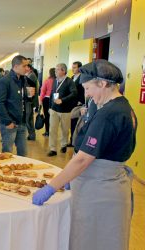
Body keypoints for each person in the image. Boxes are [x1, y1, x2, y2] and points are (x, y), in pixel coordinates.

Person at [33, 60, 137, 250]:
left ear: (103, 83)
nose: (87, 94)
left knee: (95, 241)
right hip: (104, 184)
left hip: (101, 191)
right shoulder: (121, 106)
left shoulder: (109, 114)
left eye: (88, 88)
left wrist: (51, 187)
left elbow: (82, 159)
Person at [0, 55, 34, 155]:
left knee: (23, 153)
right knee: (7, 153)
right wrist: (8, 122)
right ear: (16, 66)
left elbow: (24, 100)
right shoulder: (5, 81)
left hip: (22, 122)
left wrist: (30, 96)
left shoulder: (24, 80)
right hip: (10, 123)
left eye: (27, 66)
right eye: (24, 66)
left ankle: (20, 171)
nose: (27, 68)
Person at [47, 63, 77, 156]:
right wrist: (50, 107)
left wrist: (62, 100)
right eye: (55, 70)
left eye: (57, 70)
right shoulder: (55, 81)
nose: (55, 71)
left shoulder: (69, 81)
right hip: (54, 109)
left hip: (65, 110)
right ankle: (53, 149)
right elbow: (52, 94)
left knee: (64, 130)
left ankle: (63, 145)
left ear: (63, 71)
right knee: (52, 129)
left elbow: (74, 93)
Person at [68, 61, 84, 146]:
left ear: (79, 68)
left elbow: (83, 91)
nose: (73, 69)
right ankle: (71, 140)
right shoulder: (72, 77)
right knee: (71, 122)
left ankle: (75, 141)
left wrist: (81, 101)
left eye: (75, 67)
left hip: (78, 104)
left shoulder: (82, 78)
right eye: (72, 67)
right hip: (71, 103)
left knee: (77, 123)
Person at [39, 68, 56, 137]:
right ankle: (53, 132)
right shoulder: (57, 81)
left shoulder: (47, 81)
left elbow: (42, 92)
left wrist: (40, 100)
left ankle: (47, 131)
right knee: (54, 116)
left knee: (47, 116)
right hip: (55, 100)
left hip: (46, 99)